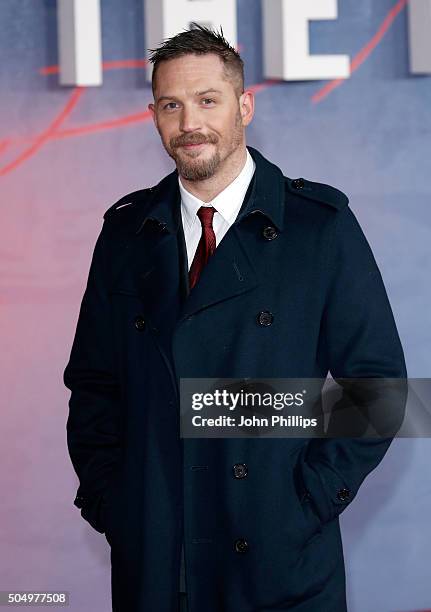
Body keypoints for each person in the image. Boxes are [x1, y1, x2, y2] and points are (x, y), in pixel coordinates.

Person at [64, 24, 407, 612]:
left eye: (207, 100)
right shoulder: (124, 233)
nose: (189, 122)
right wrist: (115, 502)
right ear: (153, 115)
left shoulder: (317, 226)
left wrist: (301, 505)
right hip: (157, 558)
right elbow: (94, 387)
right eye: (172, 104)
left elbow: (377, 389)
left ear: (244, 106)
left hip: (277, 562)